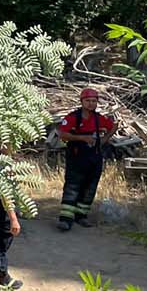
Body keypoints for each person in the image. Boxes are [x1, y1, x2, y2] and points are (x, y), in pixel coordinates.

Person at [57, 87, 116, 231]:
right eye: (88, 101)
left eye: (94, 101)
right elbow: (62, 134)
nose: (91, 104)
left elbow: (113, 126)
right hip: (77, 156)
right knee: (73, 186)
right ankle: (66, 219)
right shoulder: (73, 117)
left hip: (94, 156)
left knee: (90, 186)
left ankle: (81, 216)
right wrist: (82, 138)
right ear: (82, 102)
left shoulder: (99, 118)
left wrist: (104, 139)